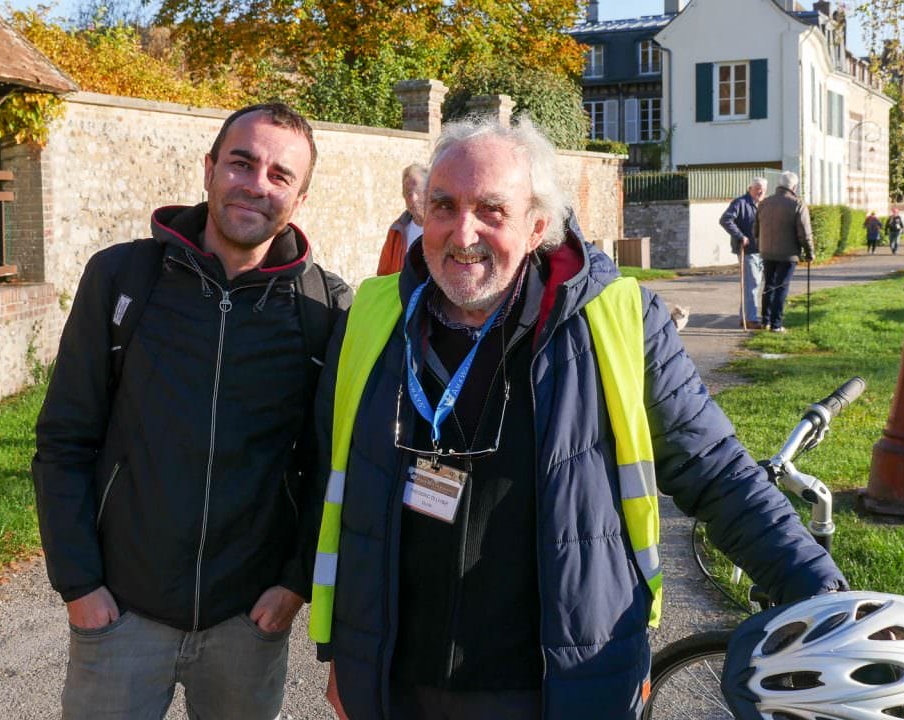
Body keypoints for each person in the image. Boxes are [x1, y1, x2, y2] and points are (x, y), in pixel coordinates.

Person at [308, 117, 846, 720]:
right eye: (444, 206)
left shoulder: (615, 318)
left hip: (556, 687)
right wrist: (345, 659)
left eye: (491, 210)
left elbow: (715, 469)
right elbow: (334, 487)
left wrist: (819, 592)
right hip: (392, 683)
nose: (463, 233)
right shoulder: (374, 316)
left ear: (539, 225)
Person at [32, 103, 349, 720]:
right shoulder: (123, 278)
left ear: (300, 199)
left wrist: (294, 582)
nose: (257, 183)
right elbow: (65, 439)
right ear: (209, 170)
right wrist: (80, 586)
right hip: (120, 614)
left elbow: (328, 466)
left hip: (247, 623)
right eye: (242, 162)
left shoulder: (325, 309)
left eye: (280, 175)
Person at [754, 171, 814, 334]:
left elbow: (756, 229)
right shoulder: (797, 204)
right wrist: (810, 252)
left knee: (769, 285)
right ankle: (776, 324)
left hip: (766, 251)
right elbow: (804, 233)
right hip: (788, 253)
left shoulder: (765, 203)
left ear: (779, 185)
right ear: (794, 186)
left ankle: (765, 321)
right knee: (781, 286)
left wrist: (760, 244)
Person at [720, 177, 768, 329]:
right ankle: (750, 319)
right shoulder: (740, 203)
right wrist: (741, 236)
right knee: (752, 285)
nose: (760, 192)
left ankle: (746, 317)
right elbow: (725, 220)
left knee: (754, 285)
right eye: (758, 188)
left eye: (763, 189)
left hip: (761, 251)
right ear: (750, 188)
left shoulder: (762, 204)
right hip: (747, 251)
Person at [377, 163, 428, 276]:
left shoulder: (443, 227)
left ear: (429, 191)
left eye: (418, 191)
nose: (413, 199)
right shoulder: (396, 232)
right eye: (408, 193)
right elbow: (383, 275)